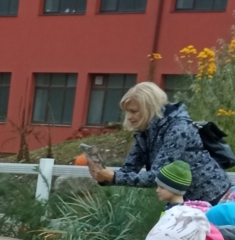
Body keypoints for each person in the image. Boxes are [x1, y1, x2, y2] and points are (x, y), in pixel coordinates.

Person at [88, 82, 230, 204]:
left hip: (214, 198)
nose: (129, 117)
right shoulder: (145, 131)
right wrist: (103, 177)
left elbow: (158, 176)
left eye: (133, 111)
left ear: (149, 108)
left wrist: (113, 177)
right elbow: (129, 169)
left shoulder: (178, 129)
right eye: (127, 112)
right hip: (186, 202)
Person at [153, 159, 226, 240]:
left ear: (174, 188)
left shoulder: (181, 215)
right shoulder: (173, 209)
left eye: (162, 187)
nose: (157, 190)